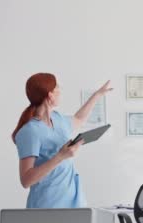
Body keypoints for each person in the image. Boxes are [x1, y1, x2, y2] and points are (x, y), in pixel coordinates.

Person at [12, 73, 113, 208]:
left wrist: (97, 95)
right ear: (50, 95)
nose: (60, 91)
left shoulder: (58, 119)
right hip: (48, 205)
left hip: (74, 201)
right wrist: (60, 156)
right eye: (57, 88)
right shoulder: (30, 131)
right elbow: (26, 180)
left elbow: (79, 119)